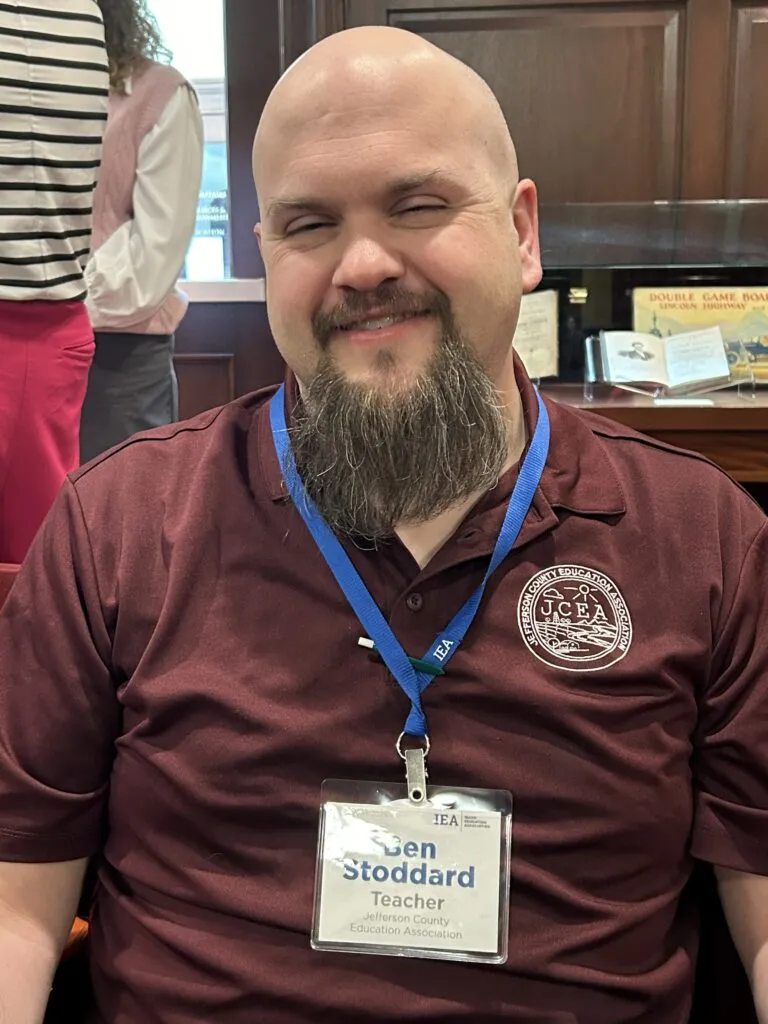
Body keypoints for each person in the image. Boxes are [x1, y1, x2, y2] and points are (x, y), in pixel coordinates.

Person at [1, 25, 767, 1024]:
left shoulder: (703, 538)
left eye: (418, 205)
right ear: (265, 250)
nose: (363, 263)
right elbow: (18, 912)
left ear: (524, 233)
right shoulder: (118, 528)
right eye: (309, 224)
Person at [0, 0, 108, 564]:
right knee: (36, 592)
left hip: (36, 326)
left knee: (36, 591)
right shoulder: (80, 14)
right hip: (52, 329)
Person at [78, 0, 203, 462]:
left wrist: (52, 296)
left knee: (127, 516)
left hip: (121, 358)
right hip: (29, 344)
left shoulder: (161, 94)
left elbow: (152, 258)